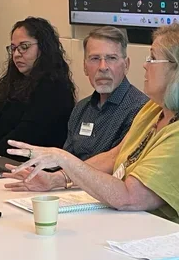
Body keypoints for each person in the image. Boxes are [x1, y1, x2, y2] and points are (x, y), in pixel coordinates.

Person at [2, 23, 179, 235]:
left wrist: (63, 158)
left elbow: (130, 197)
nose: (145, 66)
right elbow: (116, 155)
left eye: (152, 58)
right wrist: (57, 179)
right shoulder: (154, 109)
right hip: (147, 228)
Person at [0, 17, 76, 161]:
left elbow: (22, 139)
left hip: (27, 165)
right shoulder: (14, 81)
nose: (17, 54)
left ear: (44, 48)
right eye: (13, 48)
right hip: (1, 158)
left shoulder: (54, 89)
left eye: (24, 47)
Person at [60, 26, 148, 161]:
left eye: (111, 58)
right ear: (85, 67)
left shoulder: (140, 110)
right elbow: (66, 160)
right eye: (95, 58)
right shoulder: (81, 109)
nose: (103, 67)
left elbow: (119, 166)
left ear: (126, 65)